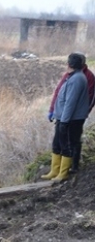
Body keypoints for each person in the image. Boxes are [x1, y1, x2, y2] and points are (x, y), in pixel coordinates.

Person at [42, 53, 91, 183]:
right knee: (57, 143)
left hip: (71, 119)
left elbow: (71, 102)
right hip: (63, 117)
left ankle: (63, 173)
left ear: (70, 65)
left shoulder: (78, 79)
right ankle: (54, 170)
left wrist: (64, 121)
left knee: (66, 145)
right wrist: (55, 113)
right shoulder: (73, 77)